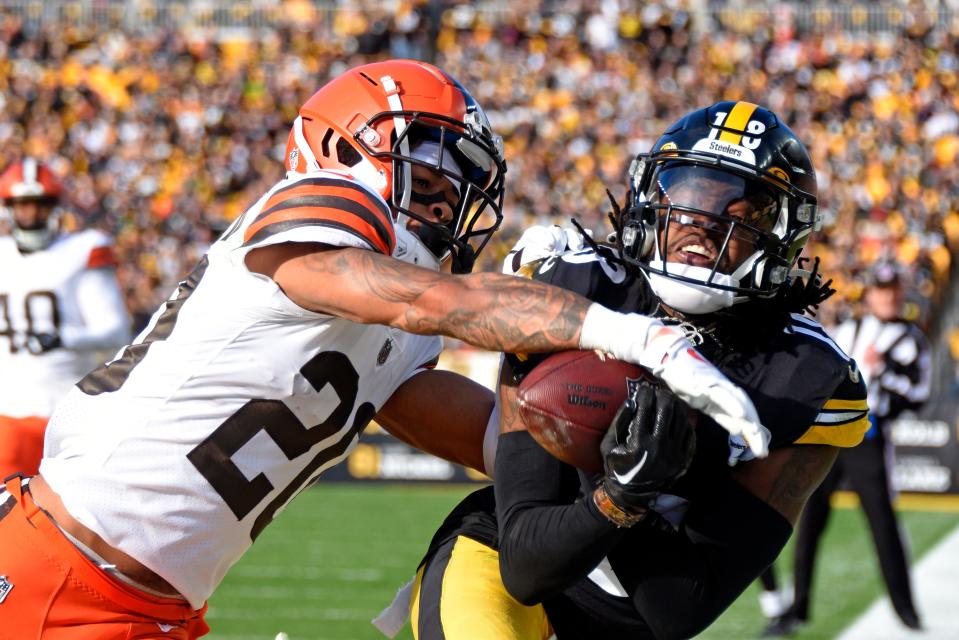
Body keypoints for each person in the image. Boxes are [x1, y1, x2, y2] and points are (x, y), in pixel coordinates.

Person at [0, 62, 764, 639]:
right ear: (341, 141)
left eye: (464, 177)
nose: (448, 192)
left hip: (149, 601)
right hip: (62, 568)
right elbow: (433, 301)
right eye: (432, 160)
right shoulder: (323, 205)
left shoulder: (389, 312)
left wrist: (637, 460)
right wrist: (633, 335)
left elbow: (484, 429)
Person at [401, 101, 871, 640]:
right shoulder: (574, 289)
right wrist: (615, 494)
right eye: (689, 200)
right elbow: (526, 564)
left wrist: (639, 487)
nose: (702, 227)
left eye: (740, 215)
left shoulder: (806, 380)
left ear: (784, 236)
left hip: (630, 622)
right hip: (500, 561)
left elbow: (680, 610)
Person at [766, 261, 930, 636]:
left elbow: (918, 394)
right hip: (830, 435)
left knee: (882, 524)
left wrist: (885, 369)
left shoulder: (912, 340)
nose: (887, 297)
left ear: (900, 294)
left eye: (892, 290)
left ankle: (906, 610)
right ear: (870, 294)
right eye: (881, 290)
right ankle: (797, 609)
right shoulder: (848, 328)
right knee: (808, 522)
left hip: (869, 440)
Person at [0, 158, 130, 479]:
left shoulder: (81, 250)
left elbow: (116, 330)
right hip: (7, 413)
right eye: (23, 205)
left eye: (39, 205)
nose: (31, 214)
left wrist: (63, 338)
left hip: (69, 412)